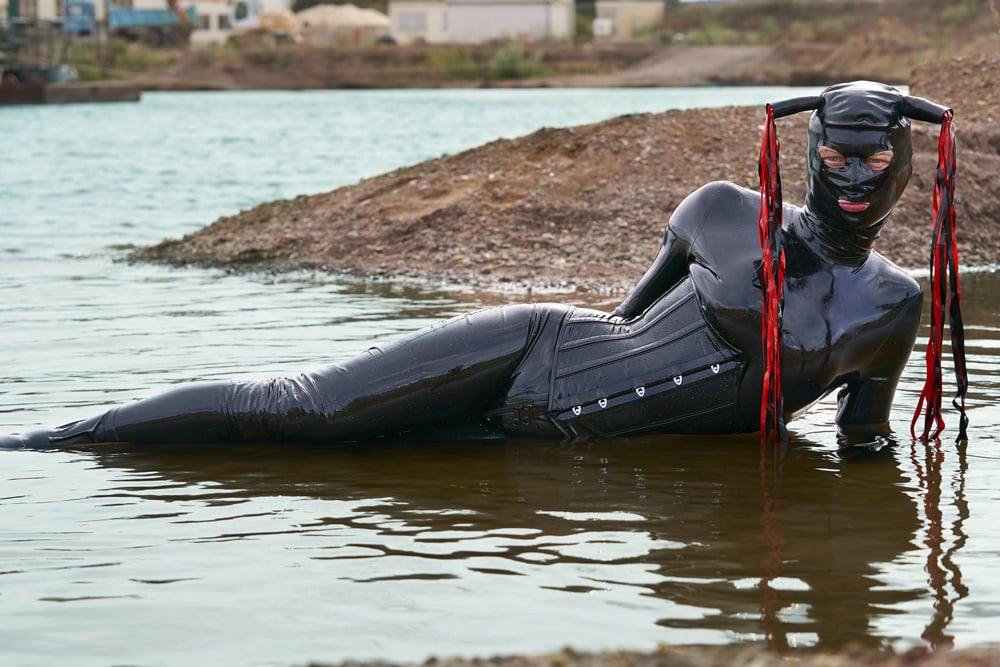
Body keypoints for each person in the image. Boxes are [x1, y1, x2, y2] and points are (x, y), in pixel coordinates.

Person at [0, 81, 967, 449]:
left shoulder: (893, 304)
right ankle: (48, 442)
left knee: (373, 462)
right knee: (300, 410)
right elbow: (626, 321)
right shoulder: (720, 212)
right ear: (803, 151)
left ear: (907, 163)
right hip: (533, 354)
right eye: (832, 153)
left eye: (873, 157)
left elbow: (863, 443)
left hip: (546, 448)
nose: (849, 174)